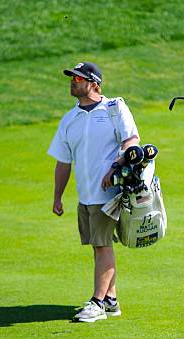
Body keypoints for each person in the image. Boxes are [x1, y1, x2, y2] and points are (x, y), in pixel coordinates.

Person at [47, 62, 140, 323]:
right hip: (85, 194)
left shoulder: (114, 108)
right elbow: (63, 161)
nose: (72, 82)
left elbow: (131, 139)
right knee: (99, 246)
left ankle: (97, 303)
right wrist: (57, 196)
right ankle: (111, 299)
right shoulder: (70, 119)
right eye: (72, 78)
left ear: (94, 84)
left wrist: (116, 166)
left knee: (102, 246)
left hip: (109, 193)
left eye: (78, 79)